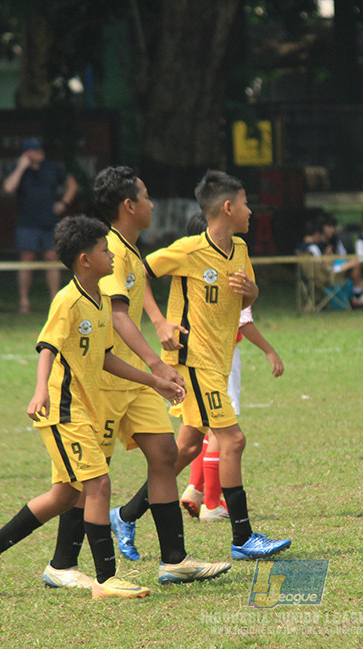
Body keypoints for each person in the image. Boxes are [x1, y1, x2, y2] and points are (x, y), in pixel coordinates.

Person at [0, 214, 186, 598]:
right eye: (104, 250)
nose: (111, 255)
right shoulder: (67, 301)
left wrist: (154, 380)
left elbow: (104, 358)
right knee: (98, 483)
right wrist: (40, 392)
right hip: (63, 409)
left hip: (87, 407)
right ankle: (106, 579)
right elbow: (47, 349)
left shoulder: (99, 299)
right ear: (85, 259)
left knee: (66, 495)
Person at [42, 166, 229, 587]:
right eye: (146, 196)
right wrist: (157, 363)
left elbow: (136, 292)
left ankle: (174, 559)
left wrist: (158, 329)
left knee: (164, 455)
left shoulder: (127, 249)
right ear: (129, 205)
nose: (151, 203)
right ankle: (60, 565)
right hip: (107, 380)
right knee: (87, 479)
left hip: (135, 382)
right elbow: (120, 314)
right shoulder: (109, 249)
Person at [111, 170, 291, 562]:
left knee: (188, 446)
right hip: (192, 360)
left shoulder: (240, 250)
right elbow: (137, 275)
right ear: (227, 208)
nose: (250, 211)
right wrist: (159, 321)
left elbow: (246, 302)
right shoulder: (188, 250)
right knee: (233, 440)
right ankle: (242, 537)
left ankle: (125, 515)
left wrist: (252, 292)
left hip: (219, 360)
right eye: (245, 203)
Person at [180, 212, 284, 523]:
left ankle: (195, 490)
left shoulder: (192, 272)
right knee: (224, 433)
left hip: (194, 358)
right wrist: (269, 350)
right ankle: (212, 502)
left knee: (200, 428)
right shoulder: (227, 268)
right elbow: (244, 320)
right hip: (220, 356)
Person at [3, 137, 78, 314]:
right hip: (27, 222)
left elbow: (72, 185)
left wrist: (64, 203)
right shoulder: (20, 170)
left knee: (52, 257)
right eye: (35, 150)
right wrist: (21, 167)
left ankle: (54, 300)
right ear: (27, 153)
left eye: (40, 149)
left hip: (49, 221)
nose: (40, 153)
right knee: (26, 259)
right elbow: (8, 188)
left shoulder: (53, 168)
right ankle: (24, 302)